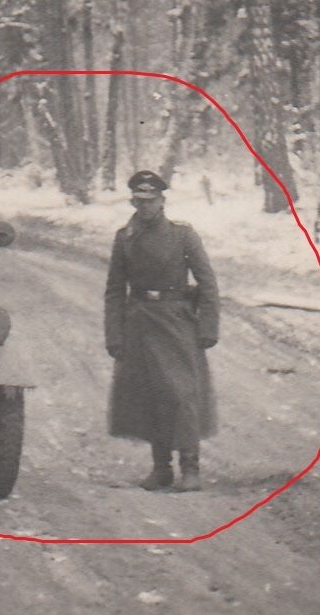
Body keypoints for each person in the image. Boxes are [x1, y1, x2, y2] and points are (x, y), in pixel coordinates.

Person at [104, 170, 219, 492]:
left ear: (162, 201)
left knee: (182, 394)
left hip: (175, 320)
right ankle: (161, 468)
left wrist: (208, 326)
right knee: (150, 394)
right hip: (139, 322)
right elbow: (114, 290)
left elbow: (208, 282)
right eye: (139, 201)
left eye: (150, 201)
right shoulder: (124, 238)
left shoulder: (183, 236)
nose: (144, 207)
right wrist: (114, 335)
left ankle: (190, 468)